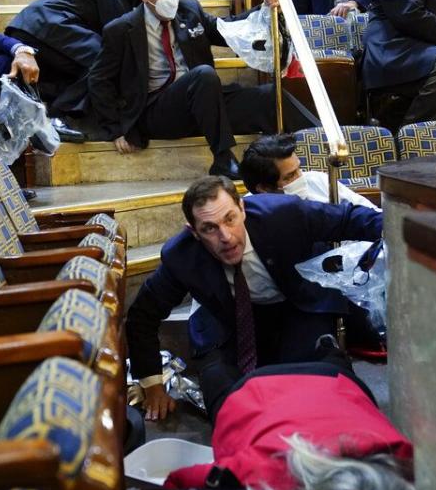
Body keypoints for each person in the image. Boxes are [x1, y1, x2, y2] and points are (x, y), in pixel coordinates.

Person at [126, 175, 383, 421]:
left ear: (242, 208)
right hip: (226, 322)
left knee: (324, 382)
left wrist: (411, 230)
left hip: (295, 307)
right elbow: (142, 315)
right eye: (209, 229)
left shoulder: (283, 213)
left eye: (230, 219)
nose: (225, 237)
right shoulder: (180, 256)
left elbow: (348, 218)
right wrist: (152, 385)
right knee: (227, 399)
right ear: (193, 232)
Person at [88, 0, 312, 179]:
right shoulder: (120, 29)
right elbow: (99, 80)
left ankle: (318, 146)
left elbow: (226, 30)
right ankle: (223, 158)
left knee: (270, 96)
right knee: (203, 75)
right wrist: (116, 129)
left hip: (204, 102)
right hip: (158, 110)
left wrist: (263, 9)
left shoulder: (190, 9)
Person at [164, 346, 414, 490]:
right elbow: (176, 488)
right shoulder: (258, 478)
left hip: (338, 387)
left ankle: (330, 350)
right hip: (254, 395)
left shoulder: (411, 463)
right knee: (214, 372)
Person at [6, 0, 145, 116]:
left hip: (40, 27)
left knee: (87, 70)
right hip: (46, 25)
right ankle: (58, 114)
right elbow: (118, 32)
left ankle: (43, 103)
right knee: (106, 61)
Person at [239, 133, 379, 211]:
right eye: (291, 176)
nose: (301, 178)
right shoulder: (249, 212)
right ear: (264, 188)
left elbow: (371, 212)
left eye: (299, 169)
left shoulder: (318, 180)